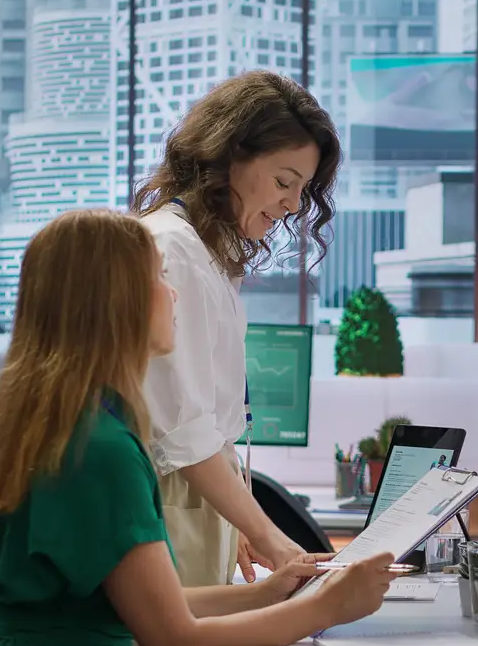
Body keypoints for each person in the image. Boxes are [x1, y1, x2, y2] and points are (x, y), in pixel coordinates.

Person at [0, 209, 396, 646]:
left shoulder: (68, 426)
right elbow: (174, 643)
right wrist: (328, 606)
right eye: (159, 277)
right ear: (114, 304)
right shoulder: (102, 451)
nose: (174, 294)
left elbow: (139, 604)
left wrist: (267, 593)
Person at [131, 70, 342, 587]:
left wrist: (236, 520)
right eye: (284, 181)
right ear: (227, 158)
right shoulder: (172, 248)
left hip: (199, 495)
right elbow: (182, 431)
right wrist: (272, 536)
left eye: (303, 189)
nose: (294, 205)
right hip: (173, 497)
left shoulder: (205, 254)